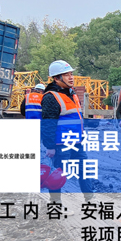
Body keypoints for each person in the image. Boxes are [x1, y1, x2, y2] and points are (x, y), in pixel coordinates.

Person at [41, 60, 93, 198]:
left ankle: (90, 199)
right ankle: (56, 203)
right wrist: (50, 146)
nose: (71, 77)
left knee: (84, 171)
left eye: (71, 74)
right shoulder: (51, 97)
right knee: (57, 175)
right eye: (66, 75)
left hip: (77, 143)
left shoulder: (72, 94)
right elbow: (48, 124)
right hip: (61, 146)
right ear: (56, 78)